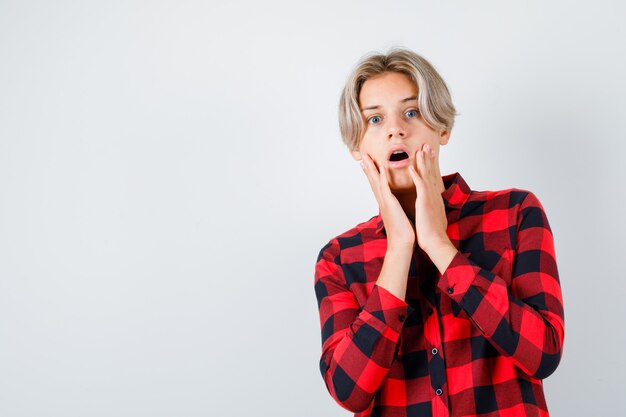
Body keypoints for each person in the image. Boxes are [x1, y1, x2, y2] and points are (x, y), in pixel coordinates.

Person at [313, 47, 565, 417]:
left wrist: (438, 245)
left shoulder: (515, 213)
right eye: (375, 119)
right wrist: (400, 246)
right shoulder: (339, 258)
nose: (396, 128)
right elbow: (349, 391)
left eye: (411, 112)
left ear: (442, 128)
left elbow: (542, 353)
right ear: (356, 144)